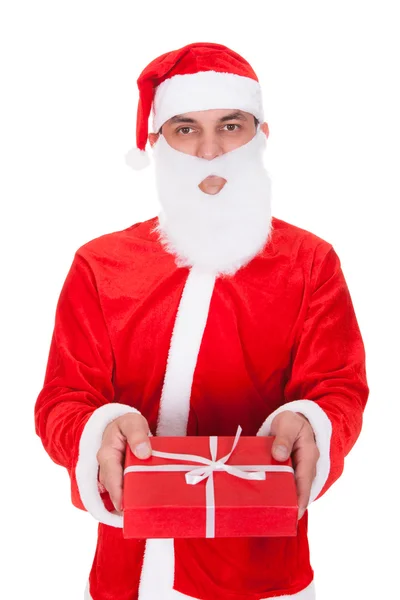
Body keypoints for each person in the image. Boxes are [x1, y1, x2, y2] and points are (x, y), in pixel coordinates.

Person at [34, 42, 369, 600]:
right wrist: (98, 432)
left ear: (261, 134)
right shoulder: (100, 265)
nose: (210, 151)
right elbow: (63, 400)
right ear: (157, 142)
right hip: (131, 565)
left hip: (256, 570)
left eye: (231, 126)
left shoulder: (310, 263)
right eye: (186, 129)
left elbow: (339, 388)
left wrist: (313, 424)